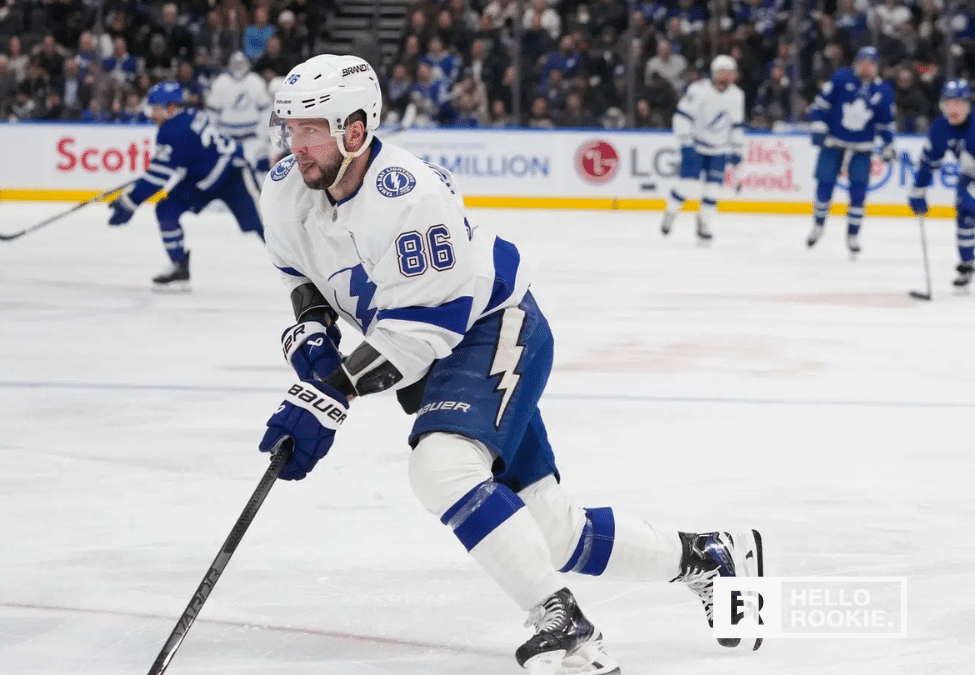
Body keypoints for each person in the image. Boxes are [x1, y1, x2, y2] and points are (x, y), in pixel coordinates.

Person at [257, 54, 764, 674]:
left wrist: (331, 393)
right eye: (292, 127)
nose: (296, 144)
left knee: (440, 465)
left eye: (312, 129)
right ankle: (709, 557)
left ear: (355, 130)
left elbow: (425, 329)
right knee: (553, 532)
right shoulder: (285, 188)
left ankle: (564, 623)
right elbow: (299, 273)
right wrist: (311, 337)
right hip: (436, 349)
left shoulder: (410, 196)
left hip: (490, 328)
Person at [106, 82, 263, 289]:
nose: (152, 114)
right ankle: (179, 267)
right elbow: (181, 158)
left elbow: (157, 179)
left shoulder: (171, 130)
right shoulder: (189, 114)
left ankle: (298, 263)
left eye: (156, 109)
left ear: (171, 108)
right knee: (166, 209)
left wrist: (130, 202)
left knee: (265, 224)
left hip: (232, 174)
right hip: (201, 177)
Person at [806, 46, 896, 257]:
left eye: (870, 64)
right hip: (833, 142)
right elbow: (820, 105)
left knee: (858, 191)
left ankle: (853, 234)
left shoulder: (883, 91)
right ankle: (818, 225)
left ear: (876, 68)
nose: (866, 68)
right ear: (856, 64)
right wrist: (818, 125)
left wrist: (889, 145)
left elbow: (886, 123)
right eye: (862, 63)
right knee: (825, 183)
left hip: (862, 148)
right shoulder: (841, 79)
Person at [660, 55, 745, 242]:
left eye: (730, 73)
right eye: (722, 73)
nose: (726, 77)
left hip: (719, 150)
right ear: (714, 74)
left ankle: (704, 221)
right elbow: (681, 117)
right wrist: (686, 143)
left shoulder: (737, 95)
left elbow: (737, 125)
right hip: (696, 147)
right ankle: (670, 213)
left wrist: (737, 151)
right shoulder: (699, 90)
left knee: (712, 190)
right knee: (685, 186)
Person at [910, 79, 974, 289]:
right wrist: (918, 190)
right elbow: (928, 162)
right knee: (966, 213)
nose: (954, 109)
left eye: (959, 103)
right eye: (949, 103)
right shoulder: (940, 127)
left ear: (968, 105)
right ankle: (966, 264)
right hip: (971, 176)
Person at [206, 52, 273, 173]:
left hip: (252, 137)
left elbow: (267, 110)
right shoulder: (221, 82)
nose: (238, 67)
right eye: (236, 64)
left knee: (256, 172)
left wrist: (263, 134)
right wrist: (215, 136)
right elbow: (212, 113)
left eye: (241, 64)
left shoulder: (255, 81)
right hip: (226, 138)